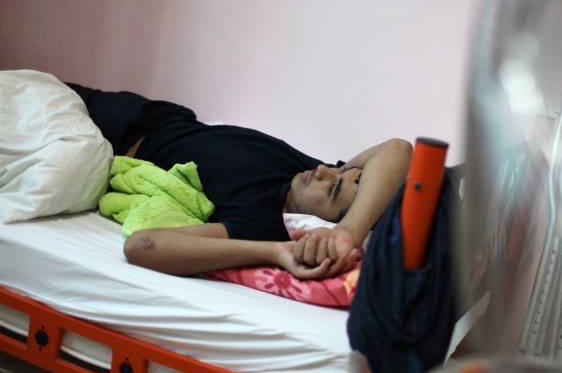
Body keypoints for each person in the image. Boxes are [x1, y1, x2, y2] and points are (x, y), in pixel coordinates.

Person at [67, 83, 412, 280]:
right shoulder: (308, 174)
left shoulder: (260, 220)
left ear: (320, 224)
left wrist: (277, 252)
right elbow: (399, 148)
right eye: (340, 171)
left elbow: (140, 246)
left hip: (105, 135)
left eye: (333, 188)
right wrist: (349, 230)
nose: (324, 170)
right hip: (156, 112)